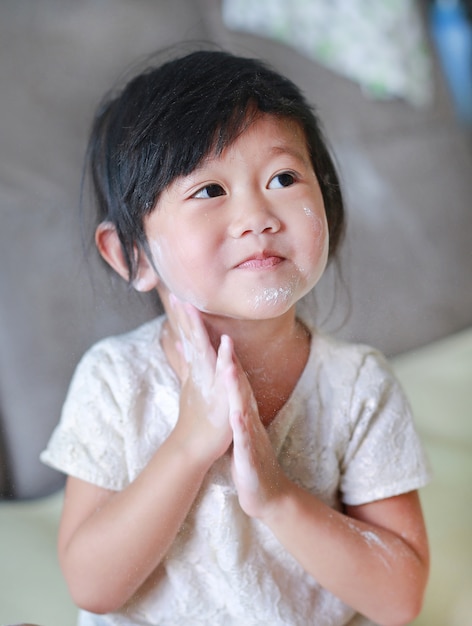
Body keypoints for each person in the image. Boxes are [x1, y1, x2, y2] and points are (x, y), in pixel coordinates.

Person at [41, 49, 430, 626]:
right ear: (132, 255)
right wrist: (192, 442)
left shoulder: (358, 387)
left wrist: (275, 495)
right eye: (209, 191)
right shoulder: (116, 380)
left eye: (283, 177)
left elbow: (400, 601)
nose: (257, 215)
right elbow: (91, 584)